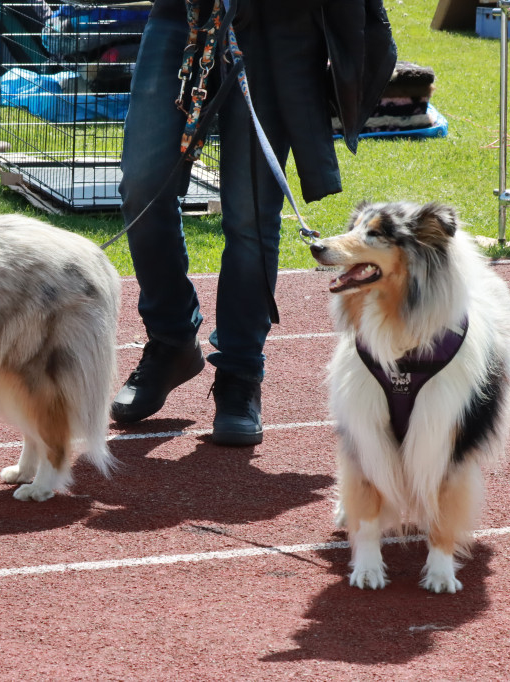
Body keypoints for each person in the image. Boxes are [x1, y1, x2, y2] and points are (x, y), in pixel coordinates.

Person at [110, 0, 397, 445]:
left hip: (274, 25)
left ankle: (240, 373)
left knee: (249, 214)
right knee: (142, 184)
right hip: (182, 14)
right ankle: (171, 341)